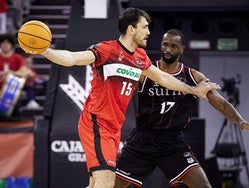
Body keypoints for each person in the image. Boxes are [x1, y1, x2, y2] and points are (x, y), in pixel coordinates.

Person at [21, 8, 220, 188]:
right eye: (145, 27)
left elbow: (163, 78)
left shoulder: (140, 57)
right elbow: (72, 58)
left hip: (113, 127)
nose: (149, 32)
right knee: (106, 181)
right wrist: (44, 50)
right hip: (96, 122)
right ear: (131, 29)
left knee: (96, 184)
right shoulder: (107, 50)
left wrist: (194, 90)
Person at [114, 29, 249, 188]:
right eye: (165, 44)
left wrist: (240, 120)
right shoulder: (146, 72)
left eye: (174, 46)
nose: (168, 49)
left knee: (203, 185)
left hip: (172, 142)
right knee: (112, 185)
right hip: (142, 139)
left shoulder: (193, 77)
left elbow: (221, 103)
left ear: (182, 49)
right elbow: (120, 93)